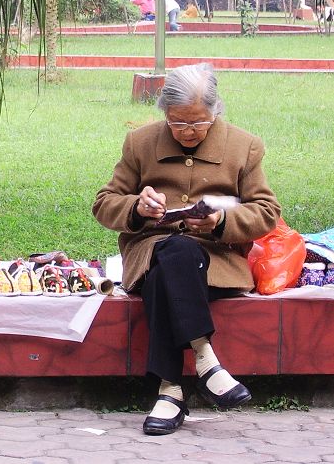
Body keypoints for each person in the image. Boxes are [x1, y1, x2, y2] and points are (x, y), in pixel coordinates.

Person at [92, 63, 280, 436]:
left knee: (171, 267)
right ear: (165, 113)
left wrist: (221, 223)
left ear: (215, 111)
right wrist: (136, 207)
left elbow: (267, 212)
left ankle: (170, 390)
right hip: (151, 251)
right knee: (172, 252)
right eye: (178, 123)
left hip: (215, 261)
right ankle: (207, 363)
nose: (188, 132)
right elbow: (104, 203)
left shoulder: (244, 146)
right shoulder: (141, 142)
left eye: (197, 123)